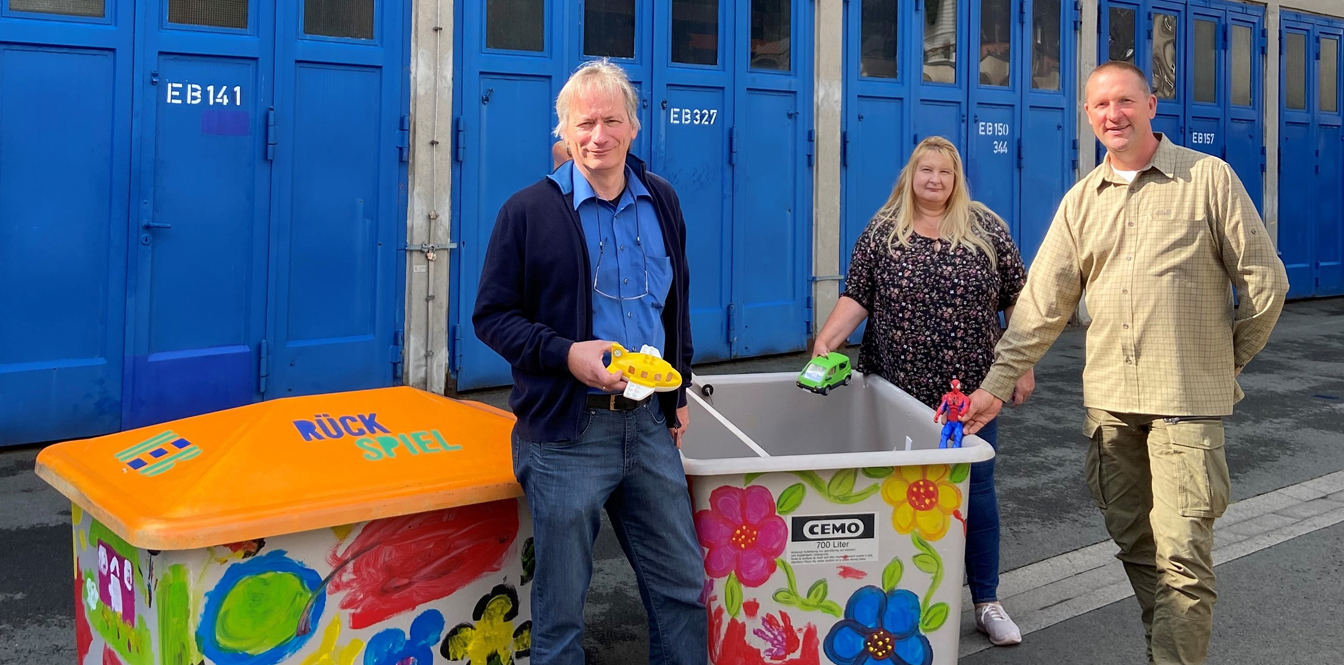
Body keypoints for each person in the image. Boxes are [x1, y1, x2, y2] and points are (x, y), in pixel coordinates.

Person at [961, 61, 1289, 665]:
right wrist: (994, 387)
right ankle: (1164, 648)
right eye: (1100, 105)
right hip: (1111, 406)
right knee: (1139, 548)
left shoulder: (1207, 178)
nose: (1113, 115)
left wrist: (1223, 362)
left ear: (1151, 106)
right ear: (1087, 116)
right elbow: (1040, 306)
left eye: (1125, 101)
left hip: (1186, 407)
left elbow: (1266, 283)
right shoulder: (1082, 200)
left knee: (1183, 558)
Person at [473, 59, 704, 665]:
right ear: (564, 130)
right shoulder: (527, 213)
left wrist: (677, 399)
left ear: (633, 127)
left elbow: (674, 305)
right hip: (566, 434)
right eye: (583, 123)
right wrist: (566, 354)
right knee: (561, 613)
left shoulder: (663, 201)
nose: (596, 136)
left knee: (682, 590)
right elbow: (492, 317)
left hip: (649, 424)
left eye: (609, 121)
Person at [811, 136, 1033, 647]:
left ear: (957, 180)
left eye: (945, 173)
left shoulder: (985, 229)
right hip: (897, 393)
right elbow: (856, 295)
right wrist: (827, 339)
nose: (934, 180)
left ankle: (987, 602)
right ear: (910, 176)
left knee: (976, 492)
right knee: (896, 496)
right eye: (925, 171)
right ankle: (901, 597)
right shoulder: (883, 230)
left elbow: (1019, 301)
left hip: (970, 396)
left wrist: (1021, 366)